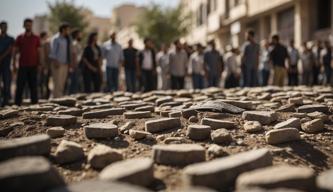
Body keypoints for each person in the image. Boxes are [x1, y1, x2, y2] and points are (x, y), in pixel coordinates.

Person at [13, 18, 40, 105]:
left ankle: (34, 104)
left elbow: (39, 51)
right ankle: (17, 104)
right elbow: (15, 51)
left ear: (32, 26)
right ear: (24, 26)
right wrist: (14, 63)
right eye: (27, 25)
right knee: (20, 86)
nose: (28, 26)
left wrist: (40, 64)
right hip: (23, 65)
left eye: (30, 25)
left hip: (34, 65)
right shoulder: (19, 37)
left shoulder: (36, 38)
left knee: (33, 86)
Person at [49, 23, 72, 98]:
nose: (68, 31)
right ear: (63, 29)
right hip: (57, 64)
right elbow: (53, 52)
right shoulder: (56, 38)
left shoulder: (67, 39)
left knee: (62, 83)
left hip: (65, 64)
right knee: (57, 83)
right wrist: (55, 61)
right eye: (67, 29)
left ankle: (60, 98)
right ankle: (55, 99)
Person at [0, 21, 15, 106]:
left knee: (7, 83)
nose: (4, 28)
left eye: (6, 26)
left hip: (6, 64)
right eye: (3, 26)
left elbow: (11, 50)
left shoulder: (11, 39)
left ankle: (6, 102)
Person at [68, 29, 83, 94]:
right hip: (75, 65)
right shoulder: (74, 43)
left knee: (76, 81)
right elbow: (74, 55)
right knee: (74, 81)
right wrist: (74, 65)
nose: (81, 35)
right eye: (79, 34)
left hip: (78, 64)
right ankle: (72, 94)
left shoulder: (78, 43)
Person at [39, 31, 51, 99]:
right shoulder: (42, 44)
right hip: (41, 66)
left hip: (45, 66)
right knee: (41, 82)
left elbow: (48, 56)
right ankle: (42, 96)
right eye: (46, 36)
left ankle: (46, 96)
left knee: (45, 82)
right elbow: (43, 56)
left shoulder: (47, 44)